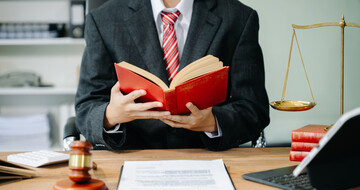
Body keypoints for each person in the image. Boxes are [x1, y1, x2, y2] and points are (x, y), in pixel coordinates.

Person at [75, 0, 270, 151]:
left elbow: (254, 109)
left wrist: (213, 123)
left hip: (209, 157)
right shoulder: (103, 20)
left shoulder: (239, 18)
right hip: (133, 157)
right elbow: (86, 108)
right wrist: (111, 115)